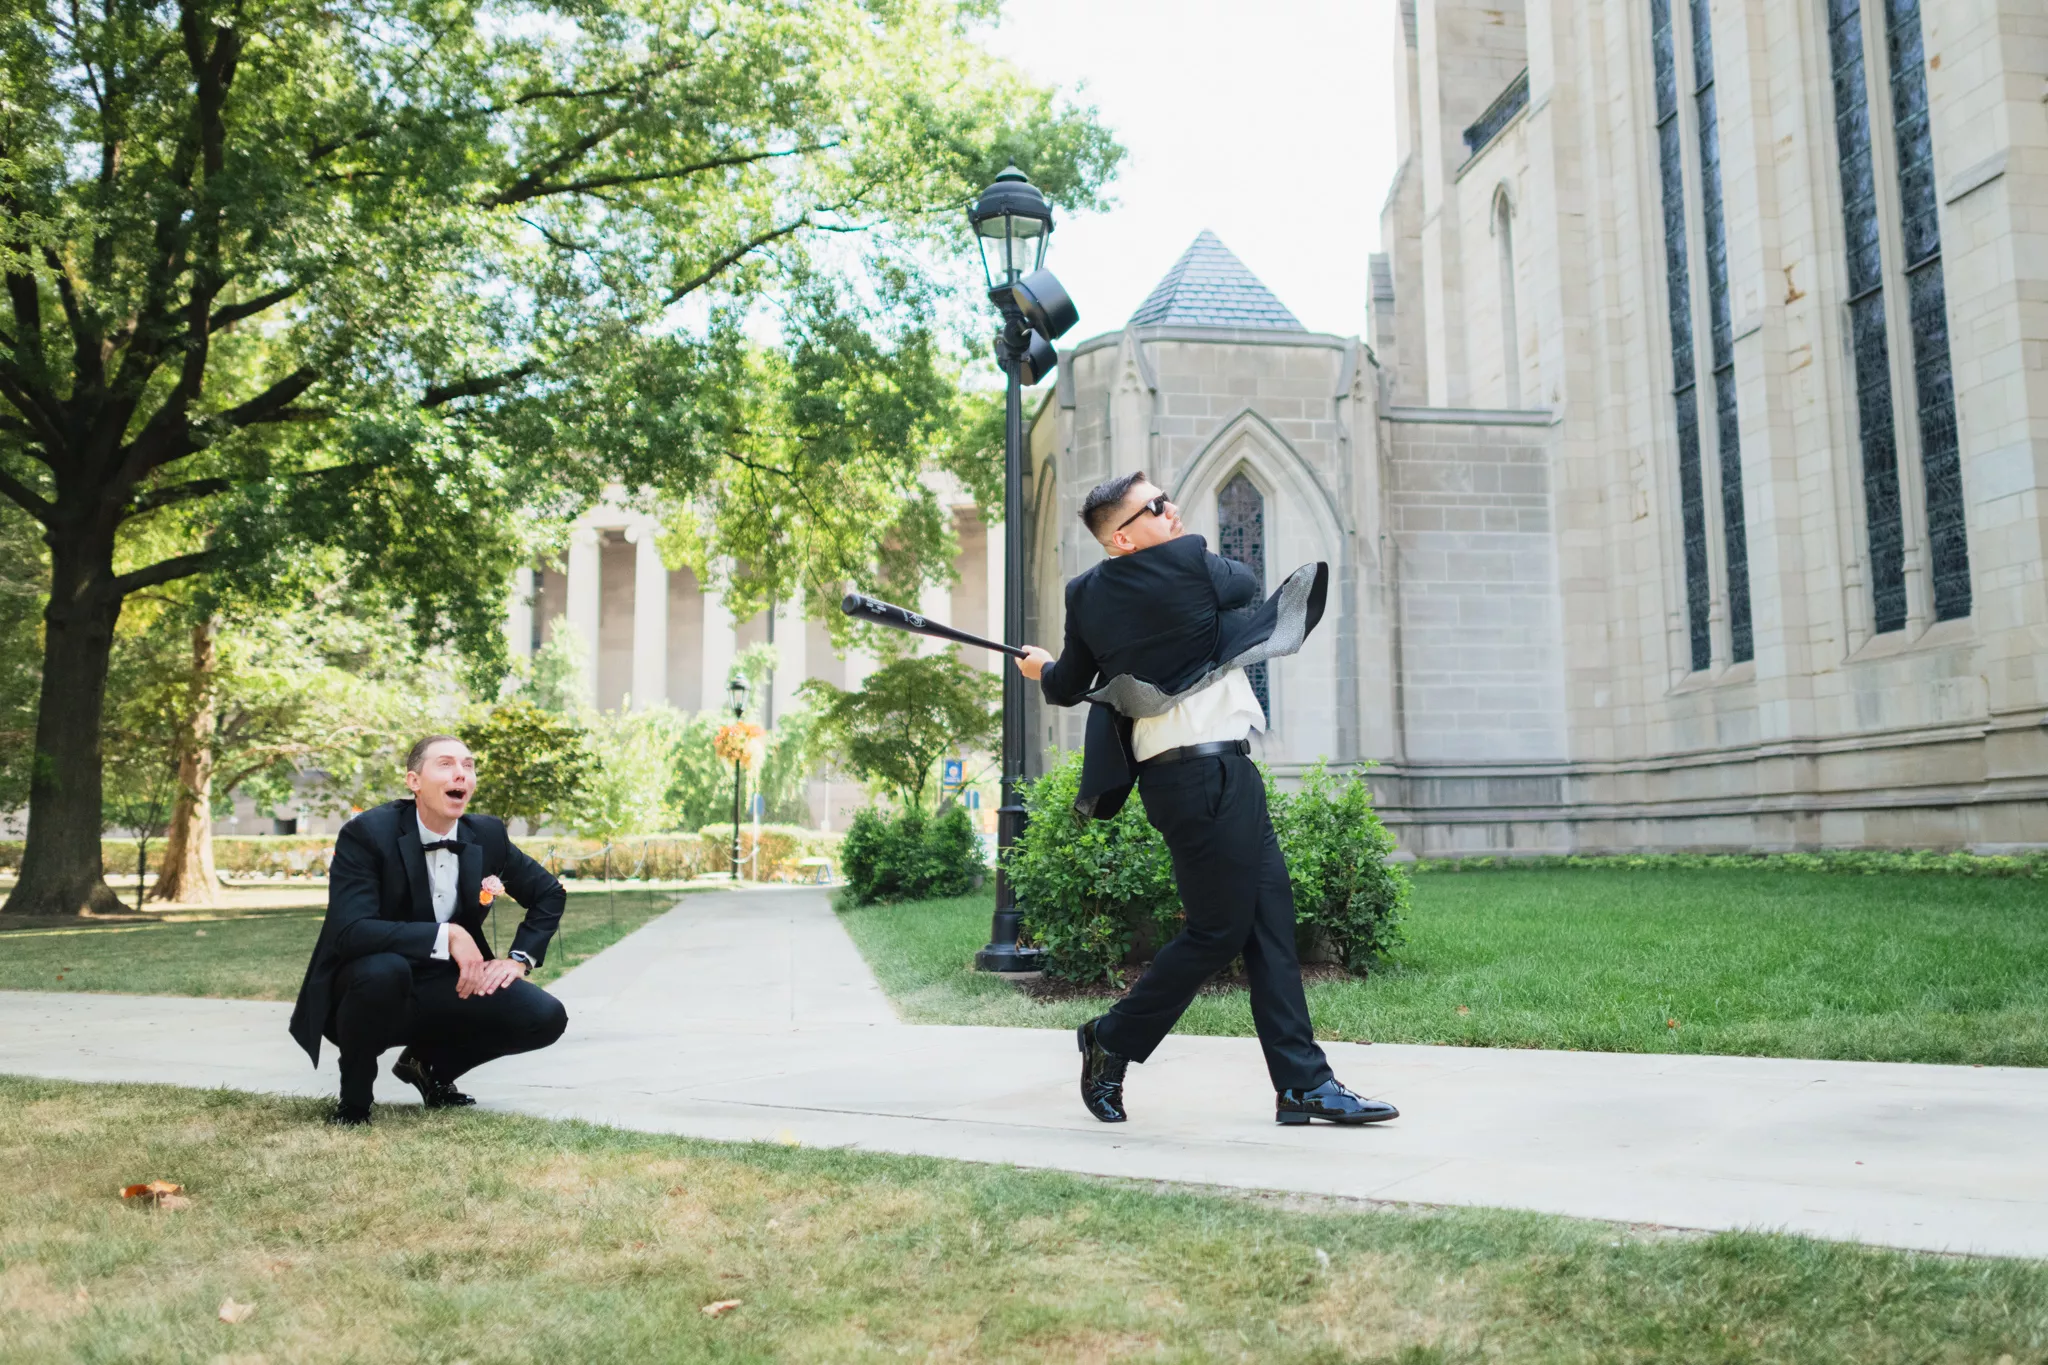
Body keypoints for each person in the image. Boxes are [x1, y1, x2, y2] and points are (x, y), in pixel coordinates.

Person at [1016, 471, 1398, 1128]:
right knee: (1217, 930)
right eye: (1159, 506)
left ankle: (1303, 1084)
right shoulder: (1190, 563)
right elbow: (1246, 585)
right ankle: (1111, 1037)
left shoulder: (1086, 597)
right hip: (1199, 777)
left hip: (1215, 774)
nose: (1175, 511)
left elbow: (1068, 684)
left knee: (1270, 926)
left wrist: (1041, 667)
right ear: (1126, 536)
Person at [288, 735, 569, 1125]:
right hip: (369, 984)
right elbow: (350, 930)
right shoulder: (367, 834)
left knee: (545, 1016)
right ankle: (353, 1104)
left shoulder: (486, 834)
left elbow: (549, 894)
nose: (461, 774)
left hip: (449, 982)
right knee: (385, 970)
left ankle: (427, 1066)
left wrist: (519, 959)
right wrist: (449, 935)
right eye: (446, 764)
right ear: (414, 781)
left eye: (468, 766)